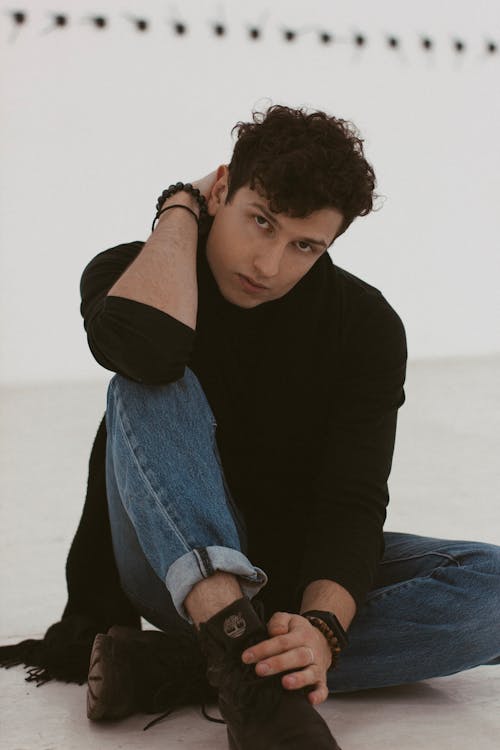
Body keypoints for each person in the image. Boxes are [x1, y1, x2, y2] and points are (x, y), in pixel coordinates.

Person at [1, 105, 499, 749]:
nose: (268, 263)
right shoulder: (134, 274)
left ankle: (195, 666)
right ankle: (231, 645)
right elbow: (145, 353)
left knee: (492, 589)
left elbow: (353, 502)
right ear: (221, 189)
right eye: (259, 221)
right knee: (154, 378)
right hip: (166, 566)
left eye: (304, 245)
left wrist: (323, 628)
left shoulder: (367, 327)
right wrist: (177, 208)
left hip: (287, 573)